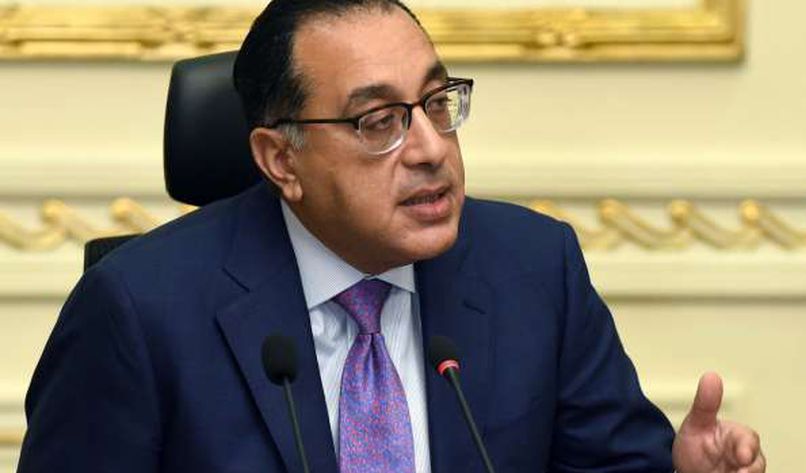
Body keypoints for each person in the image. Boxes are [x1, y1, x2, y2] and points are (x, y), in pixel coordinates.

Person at [17, 1, 766, 472]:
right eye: (378, 122)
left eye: (437, 103)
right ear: (281, 160)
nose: (431, 148)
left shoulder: (536, 270)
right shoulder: (138, 311)